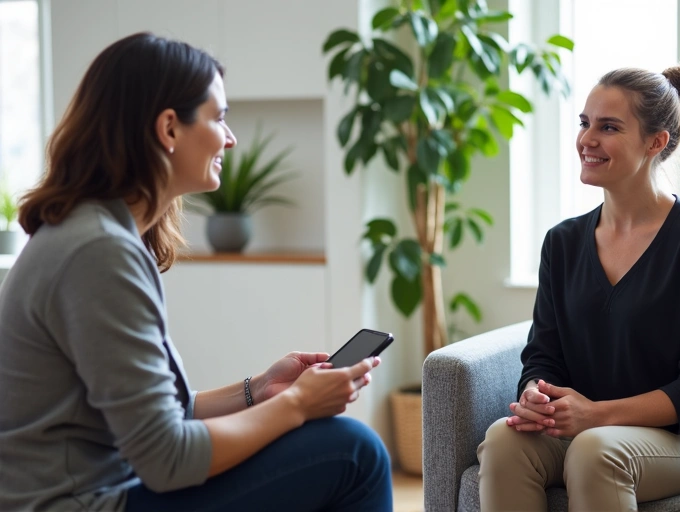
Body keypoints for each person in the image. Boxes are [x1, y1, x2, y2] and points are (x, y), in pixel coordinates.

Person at [0, 32, 392, 511]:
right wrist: (297, 405)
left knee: (345, 445)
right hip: (78, 503)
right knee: (355, 451)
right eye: (220, 117)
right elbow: (167, 458)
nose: (230, 137)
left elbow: (154, 416)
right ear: (168, 128)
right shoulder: (97, 252)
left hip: (104, 488)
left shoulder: (98, 234)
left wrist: (259, 391)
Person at [477, 66, 680, 511]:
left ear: (656, 141)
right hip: (592, 429)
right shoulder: (561, 243)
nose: (587, 139)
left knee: (595, 452)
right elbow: (544, 353)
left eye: (609, 127)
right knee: (503, 440)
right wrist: (535, 394)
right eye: (584, 123)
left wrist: (596, 415)